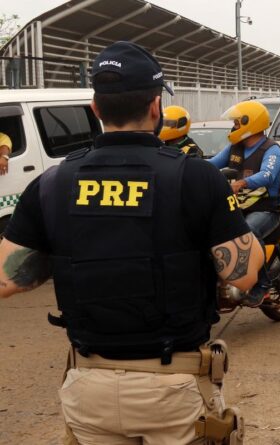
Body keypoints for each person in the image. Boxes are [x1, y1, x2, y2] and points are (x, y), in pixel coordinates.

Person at [0, 41, 263, 444]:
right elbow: (242, 276)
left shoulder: (52, 184)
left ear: (96, 109)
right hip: (173, 388)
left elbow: (7, 279)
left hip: (89, 388)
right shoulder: (195, 177)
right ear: (156, 106)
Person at [208, 100, 280, 306]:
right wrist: (185, 165)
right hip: (238, 206)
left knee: (249, 232)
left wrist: (242, 182)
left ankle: (262, 284)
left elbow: (267, 175)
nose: (233, 127)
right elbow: (212, 164)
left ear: (249, 123)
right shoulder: (235, 148)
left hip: (266, 209)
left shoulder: (272, 150)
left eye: (236, 123)